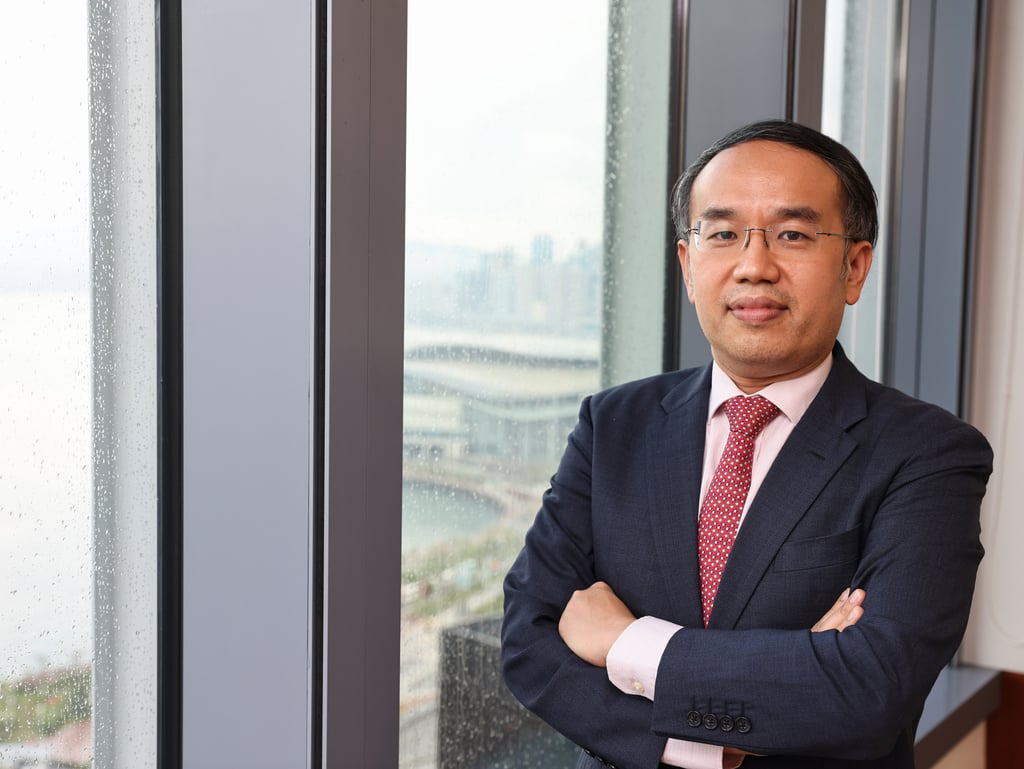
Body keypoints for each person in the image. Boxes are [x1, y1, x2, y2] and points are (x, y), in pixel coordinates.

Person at [500, 119, 993, 769]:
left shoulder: (929, 454)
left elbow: (871, 687)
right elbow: (530, 641)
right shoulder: (614, 424)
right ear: (687, 264)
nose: (755, 265)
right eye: (723, 233)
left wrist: (626, 641)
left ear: (854, 266)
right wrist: (717, 738)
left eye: (792, 234)